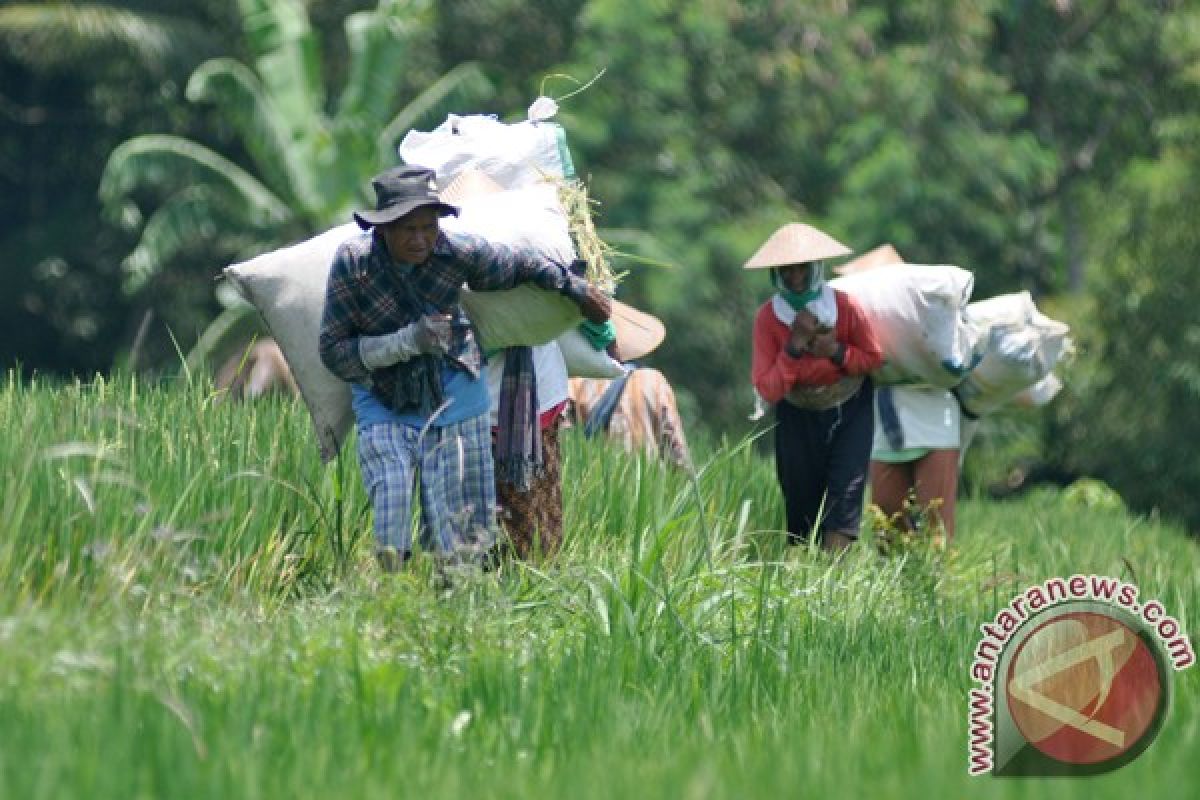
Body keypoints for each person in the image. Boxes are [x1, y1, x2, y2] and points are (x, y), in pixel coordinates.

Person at [318, 165, 610, 571]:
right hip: (384, 396)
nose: (420, 239)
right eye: (408, 230)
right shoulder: (354, 264)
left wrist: (577, 290)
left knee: (459, 533)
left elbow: (520, 264)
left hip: (455, 390)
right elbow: (334, 352)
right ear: (384, 230)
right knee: (392, 505)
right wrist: (406, 342)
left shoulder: (455, 253)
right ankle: (390, 596)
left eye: (428, 227)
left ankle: (453, 604)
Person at [747, 223, 883, 553]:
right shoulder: (768, 319)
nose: (795, 276)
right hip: (798, 413)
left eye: (802, 268)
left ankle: (834, 585)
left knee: (845, 492)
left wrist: (835, 352)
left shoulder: (845, 307)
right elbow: (767, 388)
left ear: (816, 268)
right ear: (775, 274)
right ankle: (804, 579)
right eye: (786, 270)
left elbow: (873, 357)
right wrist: (793, 347)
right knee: (800, 498)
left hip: (850, 408)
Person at [834, 245, 961, 548]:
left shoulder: (921, 312)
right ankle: (898, 594)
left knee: (936, 529)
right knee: (888, 530)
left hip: (932, 423)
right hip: (882, 427)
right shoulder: (856, 317)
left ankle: (939, 592)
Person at [487, 342, 571, 560]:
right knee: (530, 513)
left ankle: (530, 578)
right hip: (513, 405)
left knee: (536, 509)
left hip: (533, 402)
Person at [868, 385, 961, 547]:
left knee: (936, 525)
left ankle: (935, 571)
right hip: (884, 420)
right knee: (888, 529)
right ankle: (895, 571)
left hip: (938, 420)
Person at [567, 368, 692, 470]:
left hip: (594, 485)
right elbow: (676, 448)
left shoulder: (573, 383)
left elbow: (563, 441)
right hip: (647, 484)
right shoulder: (653, 380)